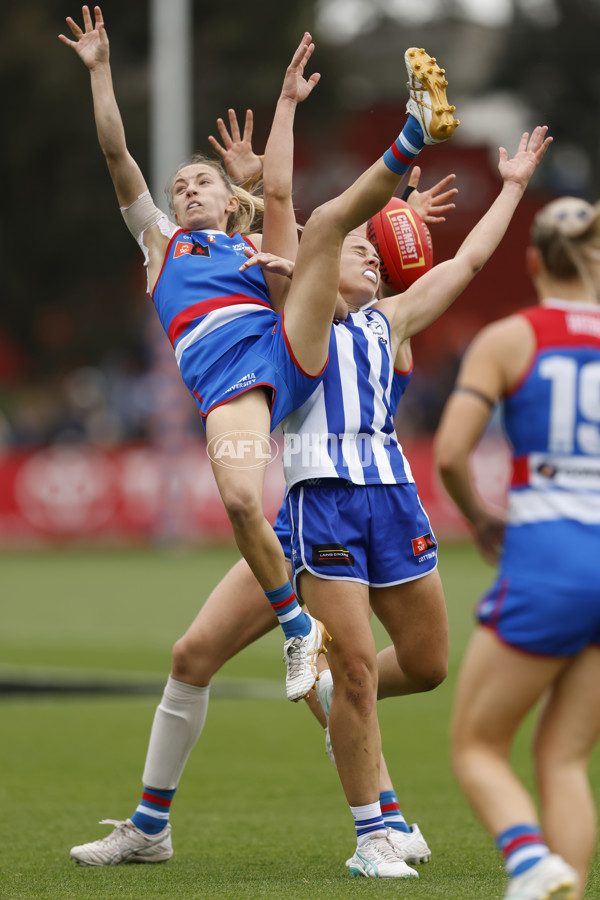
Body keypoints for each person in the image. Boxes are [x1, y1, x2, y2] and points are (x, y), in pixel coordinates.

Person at [68, 151, 455, 869]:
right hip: (298, 522)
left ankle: (385, 826)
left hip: (332, 511)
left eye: (372, 253)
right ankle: (151, 827)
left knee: (343, 674)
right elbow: (308, 228)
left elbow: (322, 229)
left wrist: (387, 208)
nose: (354, 255)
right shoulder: (283, 287)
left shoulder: (375, 328)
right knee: (201, 656)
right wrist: (387, 206)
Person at [59, 7, 458, 702]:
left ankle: (413, 129)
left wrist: (395, 219)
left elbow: (309, 221)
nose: (187, 189)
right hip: (254, 392)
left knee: (321, 233)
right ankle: (298, 642)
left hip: (284, 358)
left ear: (227, 197)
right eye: (181, 184)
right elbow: (118, 157)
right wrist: (100, 72)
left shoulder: (255, 247)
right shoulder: (160, 245)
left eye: (202, 181)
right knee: (242, 508)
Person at [434, 195, 600, 900]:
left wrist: (480, 517)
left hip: (550, 558)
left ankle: (528, 858)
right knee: (563, 759)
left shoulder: (510, 338)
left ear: (532, 261)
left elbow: (448, 454)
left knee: (477, 745)